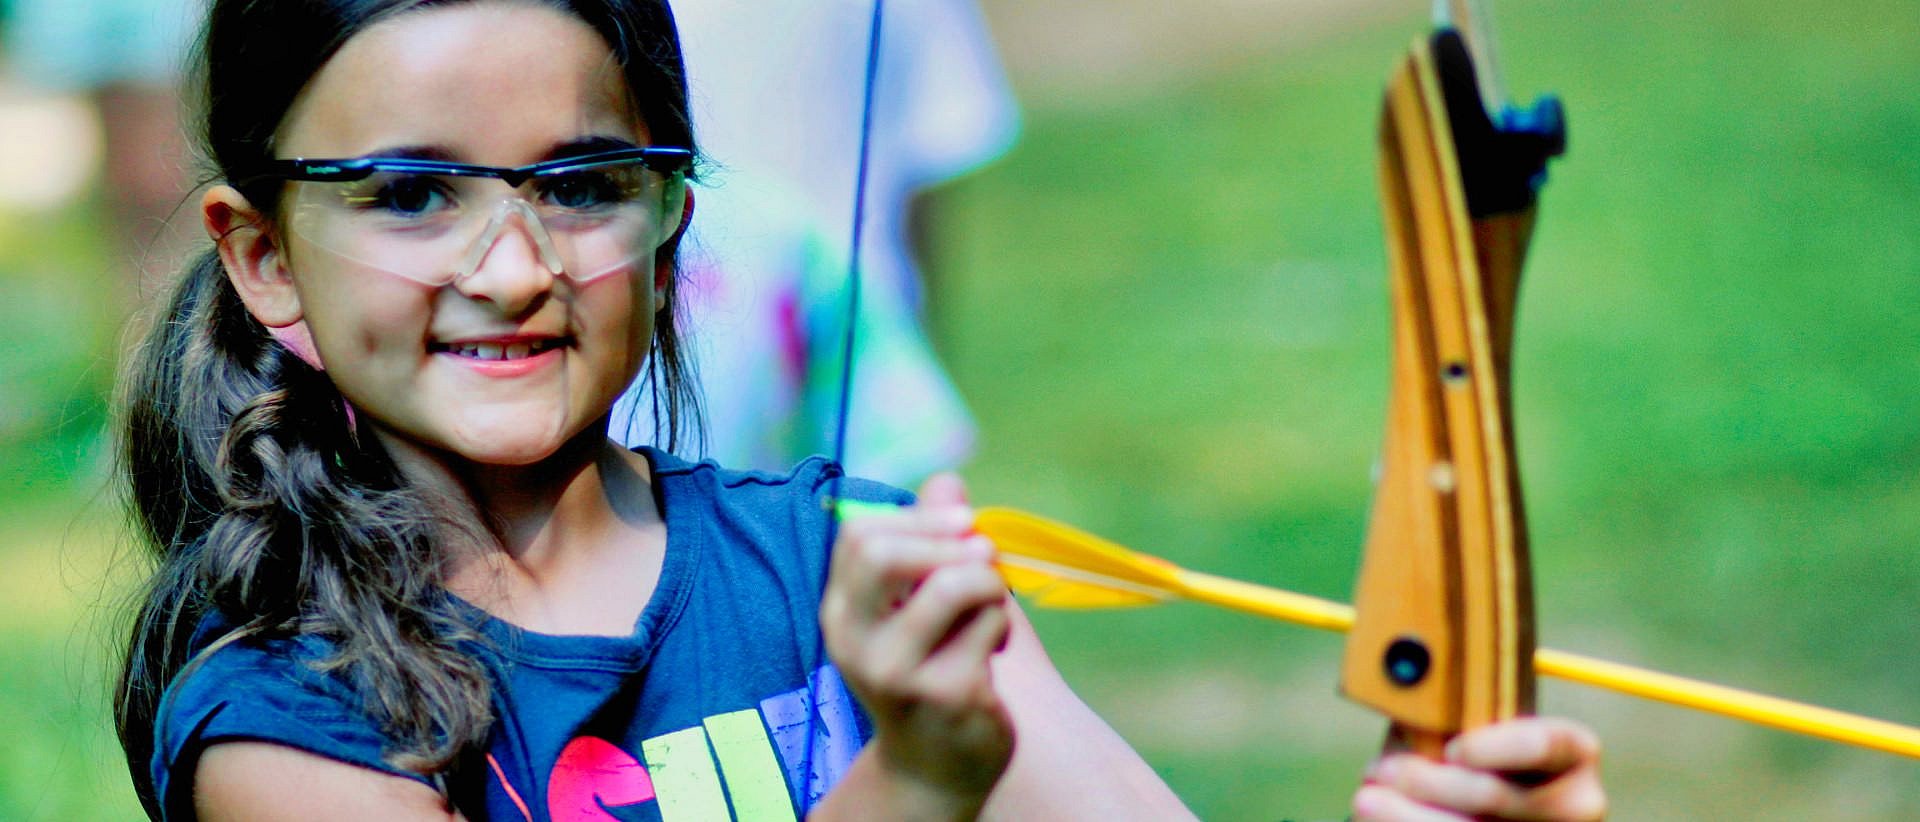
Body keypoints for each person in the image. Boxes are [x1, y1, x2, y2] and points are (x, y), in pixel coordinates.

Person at [111, 1, 1607, 820]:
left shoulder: (853, 565)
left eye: (582, 186)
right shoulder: (280, 717)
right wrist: (916, 780)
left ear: (669, 220)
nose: (511, 267)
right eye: (411, 194)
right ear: (263, 259)